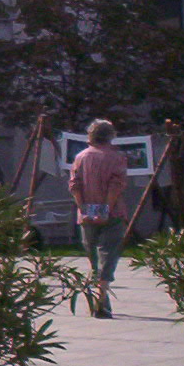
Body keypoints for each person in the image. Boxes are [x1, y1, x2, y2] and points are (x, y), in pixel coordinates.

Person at [69, 120, 129, 319]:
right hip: (112, 213)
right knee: (108, 255)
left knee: (94, 258)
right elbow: (116, 185)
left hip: (86, 213)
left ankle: (100, 298)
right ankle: (101, 299)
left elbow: (74, 185)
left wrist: (83, 209)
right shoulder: (116, 157)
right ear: (111, 136)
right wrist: (105, 209)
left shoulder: (80, 157)